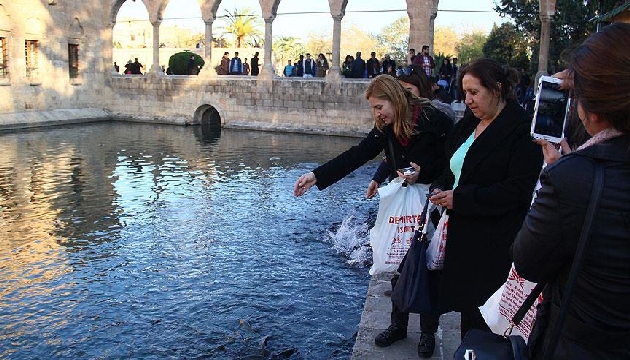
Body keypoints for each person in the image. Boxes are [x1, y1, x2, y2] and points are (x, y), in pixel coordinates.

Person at [512, 23, 630, 359]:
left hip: (584, 342)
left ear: (590, 111)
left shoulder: (572, 177)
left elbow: (528, 261)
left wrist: (555, 173)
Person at [427, 58, 543, 340]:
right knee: (468, 317)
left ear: (497, 89)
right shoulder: (471, 121)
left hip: (493, 244)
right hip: (461, 237)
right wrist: (439, 186)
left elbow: (518, 189)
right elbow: (454, 164)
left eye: (474, 92)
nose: (467, 100)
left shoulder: (521, 129)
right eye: (464, 93)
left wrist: (462, 199)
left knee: (485, 323)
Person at [366, 69, 454, 358]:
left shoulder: (436, 121)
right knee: (399, 265)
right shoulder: (388, 125)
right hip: (406, 199)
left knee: (429, 268)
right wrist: (379, 176)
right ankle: (398, 325)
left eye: (379, 106)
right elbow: (370, 154)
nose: (376, 113)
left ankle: (428, 333)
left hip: (433, 201)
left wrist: (426, 175)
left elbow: (453, 162)